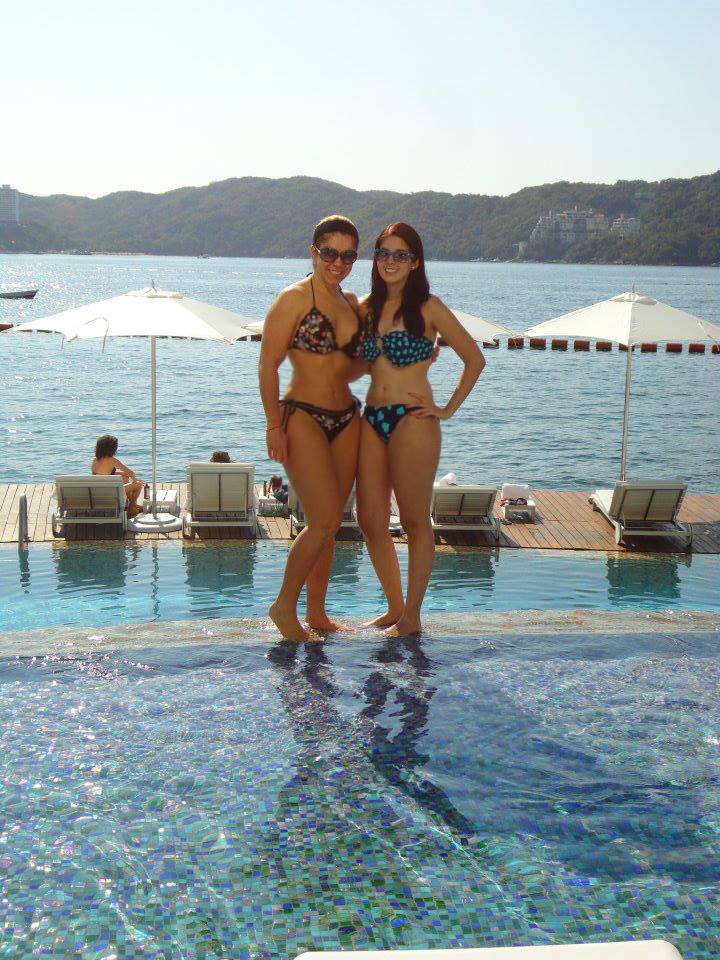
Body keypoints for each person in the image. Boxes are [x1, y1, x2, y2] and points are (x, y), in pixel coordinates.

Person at [356, 223, 486, 635]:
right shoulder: (364, 307)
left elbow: (475, 360)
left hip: (413, 422)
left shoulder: (429, 307)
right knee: (370, 521)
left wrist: (446, 409)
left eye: (401, 254)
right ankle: (394, 607)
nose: (390, 261)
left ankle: (412, 616)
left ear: (415, 262)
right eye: (383, 253)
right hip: (372, 419)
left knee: (414, 520)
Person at [258, 215, 365, 642]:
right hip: (303, 416)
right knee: (322, 520)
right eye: (330, 253)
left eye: (348, 256)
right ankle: (283, 607)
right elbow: (267, 364)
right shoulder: (294, 299)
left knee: (331, 524)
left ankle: (317, 612)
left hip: (347, 419)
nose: (339, 263)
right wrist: (273, 424)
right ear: (313, 252)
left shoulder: (349, 301)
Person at [91, 434, 145, 519]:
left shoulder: (95, 460)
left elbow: (102, 474)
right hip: (111, 493)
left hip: (99, 492)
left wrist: (124, 474)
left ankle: (131, 505)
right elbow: (131, 473)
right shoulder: (112, 460)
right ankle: (132, 507)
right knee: (138, 484)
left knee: (124, 476)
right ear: (112, 449)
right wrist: (135, 480)